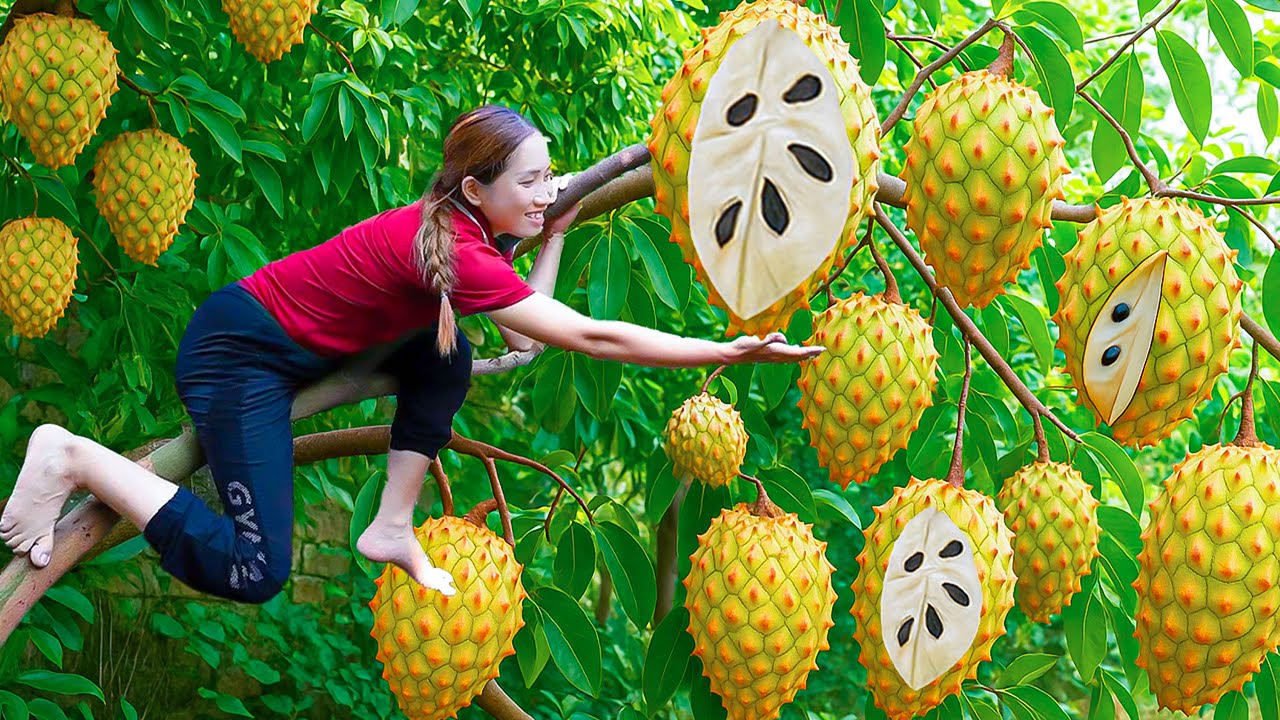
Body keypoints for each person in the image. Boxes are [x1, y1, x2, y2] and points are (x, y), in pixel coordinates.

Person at [0, 105, 823, 604]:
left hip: (287, 353)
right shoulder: (455, 251)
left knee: (447, 355)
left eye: (550, 179)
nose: (547, 193)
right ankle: (74, 455)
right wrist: (725, 347)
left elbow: (521, 333)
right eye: (532, 184)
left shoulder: (459, 236)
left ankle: (391, 526)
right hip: (236, 357)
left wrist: (556, 233)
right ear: (477, 192)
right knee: (255, 571)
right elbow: (589, 335)